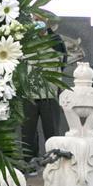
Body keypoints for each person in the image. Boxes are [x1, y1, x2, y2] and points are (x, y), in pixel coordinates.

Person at [20, 19, 66, 158]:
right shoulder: (25, 41)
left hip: (49, 95)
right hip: (29, 95)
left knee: (52, 131)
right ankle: (30, 162)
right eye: (36, 19)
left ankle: (54, 162)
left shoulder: (56, 40)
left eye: (41, 20)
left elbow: (62, 63)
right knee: (28, 133)